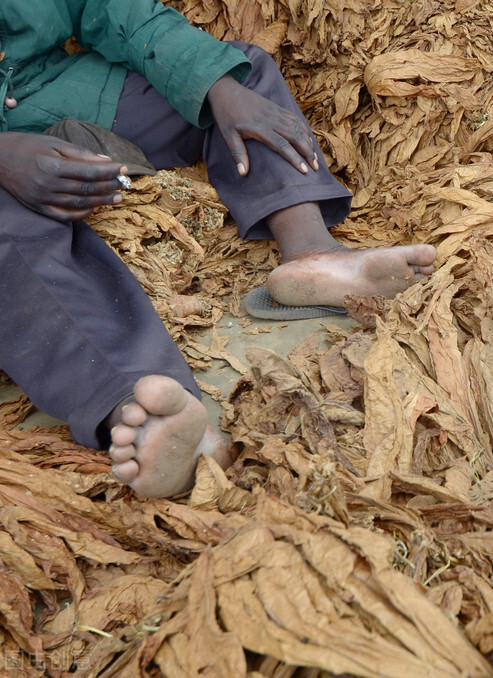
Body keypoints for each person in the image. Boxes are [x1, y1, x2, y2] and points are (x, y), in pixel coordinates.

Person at [0, 1, 436, 498]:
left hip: (47, 89)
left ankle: (310, 253)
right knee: (12, 242)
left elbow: (115, 9)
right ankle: (140, 411)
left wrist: (216, 87)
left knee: (236, 74)